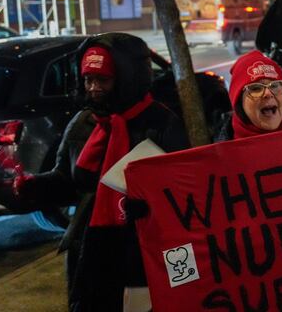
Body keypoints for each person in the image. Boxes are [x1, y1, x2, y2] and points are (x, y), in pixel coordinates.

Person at [14, 33, 189, 311]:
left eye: (103, 80)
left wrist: (148, 206)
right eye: (88, 80)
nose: (94, 88)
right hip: (91, 251)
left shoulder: (162, 124)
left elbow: (185, 194)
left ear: (126, 78)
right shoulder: (84, 123)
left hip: (143, 255)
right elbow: (69, 181)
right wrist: (34, 186)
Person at [216, 50, 282, 141]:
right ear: (239, 104)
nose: (268, 93)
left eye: (275, 86)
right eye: (256, 88)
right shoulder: (225, 153)